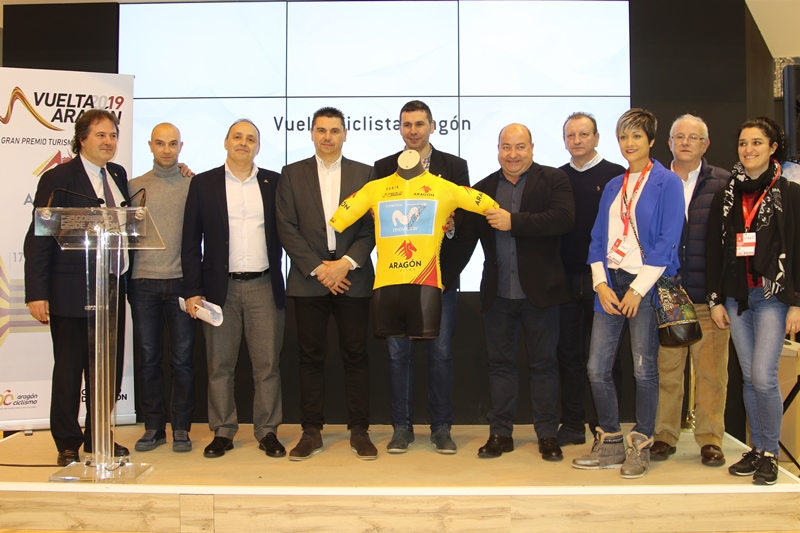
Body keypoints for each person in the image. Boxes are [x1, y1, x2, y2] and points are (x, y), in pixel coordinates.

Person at [449, 124, 575, 461]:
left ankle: (547, 435)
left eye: (520, 147)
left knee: (544, 366)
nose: (513, 154)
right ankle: (500, 434)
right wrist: (450, 228)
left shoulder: (554, 180)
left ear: (532, 148)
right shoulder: (483, 189)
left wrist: (513, 222)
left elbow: (563, 219)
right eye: (506, 147)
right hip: (498, 295)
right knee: (500, 366)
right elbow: (466, 233)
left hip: (542, 294)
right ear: (498, 149)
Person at [572, 108, 683, 479]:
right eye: (623, 136)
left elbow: (668, 242)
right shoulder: (614, 185)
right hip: (610, 284)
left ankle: (641, 444)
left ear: (651, 140)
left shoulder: (667, 182)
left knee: (643, 368)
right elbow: (597, 239)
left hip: (645, 286)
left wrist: (638, 289)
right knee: (596, 368)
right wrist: (600, 284)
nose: (629, 143)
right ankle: (611, 441)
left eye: (637, 135)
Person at [24, 109, 131, 466]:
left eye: (113, 135)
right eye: (101, 135)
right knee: (70, 370)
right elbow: (39, 236)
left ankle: (98, 436)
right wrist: (37, 292)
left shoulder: (117, 175)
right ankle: (68, 442)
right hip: (71, 290)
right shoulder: (58, 178)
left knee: (107, 370)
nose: (109, 141)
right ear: (82, 138)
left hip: (111, 288)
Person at [181, 119, 286, 459]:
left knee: (267, 365)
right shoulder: (203, 183)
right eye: (237, 137)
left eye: (250, 139)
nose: (243, 143)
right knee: (219, 366)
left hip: (264, 286)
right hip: (218, 290)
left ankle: (267, 430)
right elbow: (189, 241)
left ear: (258, 146)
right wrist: (193, 290)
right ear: (226, 142)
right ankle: (223, 431)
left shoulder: (274, 183)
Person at [276, 107, 377, 461]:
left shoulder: (365, 174)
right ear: (312, 134)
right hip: (310, 280)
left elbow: (371, 227)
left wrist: (344, 264)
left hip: (353, 278)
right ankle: (311, 431)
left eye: (334, 130)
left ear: (345, 134)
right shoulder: (292, 174)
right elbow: (286, 227)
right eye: (321, 130)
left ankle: (360, 430)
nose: (327, 137)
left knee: (356, 356)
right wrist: (321, 269)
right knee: (309, 358)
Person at [370, 100, 469, 454]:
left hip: (438, 281)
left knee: (440, 354)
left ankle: (441, 428)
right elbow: (375, 221)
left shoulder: (454, 167)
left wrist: (452, 226)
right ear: (400, 128)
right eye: (407, 124)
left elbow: (465, 220)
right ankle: (402, 427)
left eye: (419, 124)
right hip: (396, 280)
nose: (413, 131)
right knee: (398, 356)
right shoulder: (383, 168)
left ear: (432, 126)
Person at [706, 116, 800, 485]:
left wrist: (797, 303)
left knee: (763, 376)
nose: (748, 149)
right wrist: (715, 299)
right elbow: (715, 250)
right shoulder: (726, 194)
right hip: (736, 297)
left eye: (757, 142)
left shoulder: (790, 193)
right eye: (743, 143)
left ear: (773, 147)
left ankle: (771, 454)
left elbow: (798, 250)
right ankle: (758, 449)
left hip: (773, 296)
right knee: (748, 378)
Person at [650, 114, 731, 466]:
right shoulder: (653, 181)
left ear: (705, 144)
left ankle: (710, 438)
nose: (685, 142)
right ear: (669, 143)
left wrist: (721, 294)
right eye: (678, 136)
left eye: (693, 137)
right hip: (668, 294)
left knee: (712, 373)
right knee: (668, 372)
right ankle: (664, 436)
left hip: (707, 296)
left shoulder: (723, 182)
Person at [556, 112, 625, 447]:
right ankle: (572, 424)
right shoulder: (556, 177)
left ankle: (604, 426)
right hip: (563, 280)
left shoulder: (616, 175)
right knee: (568, 356)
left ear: (597, 138)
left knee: (604, 361)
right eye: (571, 135)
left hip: (603, 282)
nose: (577, 140)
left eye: (584, 134)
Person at [128, 123, 197, 453]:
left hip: (182, 282)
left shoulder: (192, 183)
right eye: (160, 143)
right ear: (150, 146)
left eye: (172, 144)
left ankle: (181, 428)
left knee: (183, 361)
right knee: (148, 359)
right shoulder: (133, 186)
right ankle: (153, 427)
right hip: (143, 283)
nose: (166, 149)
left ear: (181, 147)